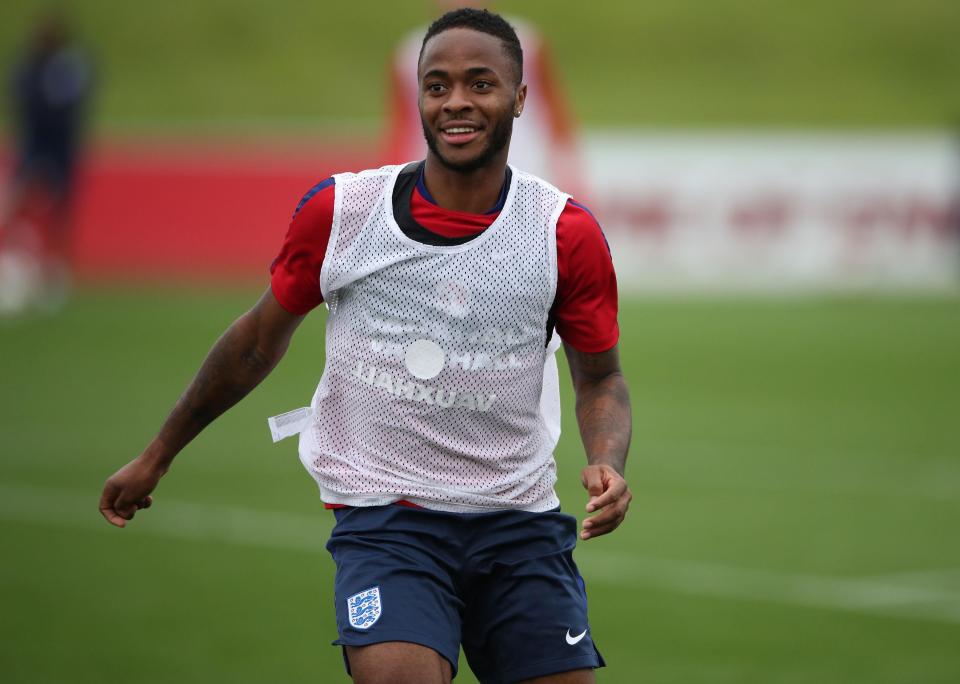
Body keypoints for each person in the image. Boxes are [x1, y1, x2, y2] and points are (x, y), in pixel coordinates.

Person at [99, 9, 631, 684]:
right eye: (437, 86)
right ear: (418, 99)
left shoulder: (564, 233)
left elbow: (601, 377)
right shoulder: (344, 213)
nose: (457, 102)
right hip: (388, 520)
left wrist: (608, 461)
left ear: (521, 98)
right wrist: (158, 455)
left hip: (518, 522)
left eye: (480, 84)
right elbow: (257, 343)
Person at [385, 2, 583, 194]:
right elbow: (403, 128)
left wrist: (569, 171)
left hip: (523, 166)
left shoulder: (525, 42)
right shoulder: (410, 54)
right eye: (438, 87)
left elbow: (553, 112)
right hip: (442, 178)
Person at [0, 13, 92, 312]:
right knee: (22, 204)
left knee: (58, 210)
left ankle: (54, 270)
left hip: (60, 150)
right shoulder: (30, 68)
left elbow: (71, 105)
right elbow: (23, 101)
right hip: (34, 147)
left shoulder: (68, 68)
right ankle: (17, 260)